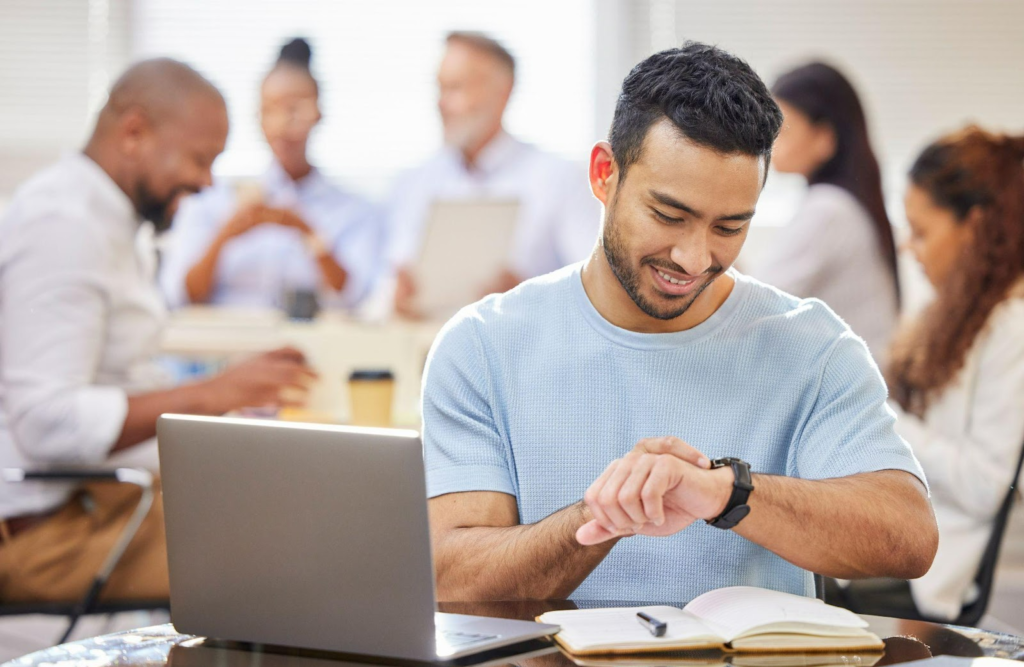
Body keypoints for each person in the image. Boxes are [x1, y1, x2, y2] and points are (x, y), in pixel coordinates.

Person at [423, 43, 937, 602]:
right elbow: (452, 576)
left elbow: (908, 538)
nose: (694, 259)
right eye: (670, 216)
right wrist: (600, 519)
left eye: (729, 227)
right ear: (603, 175)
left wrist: (723, 492)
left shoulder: (811, 344)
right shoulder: (483, 345)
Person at [0, 59, 316, 602]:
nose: (206, 181)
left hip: (102, 501)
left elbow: (116, 378)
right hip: (50, 534)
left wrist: (226, 396)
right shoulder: (63, 227)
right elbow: (45, 422)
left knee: (293, 500)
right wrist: (210, 395)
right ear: (134, 133)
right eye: (199, 159)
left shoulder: (114, 221)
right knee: (295, 555)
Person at [837, 127, 1024, 621]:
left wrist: (886, 419)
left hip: (935, 576)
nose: (907, 247)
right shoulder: (957, 318)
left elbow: (987, 486)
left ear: (976, 228)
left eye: (921, 231)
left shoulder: (1012, 330)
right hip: (908, 542)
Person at [385, 31, 600, 318]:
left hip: (524, 348)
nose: (441, 104)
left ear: (503, 92)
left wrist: (527, 295)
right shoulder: (413, 183)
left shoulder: (557, 177)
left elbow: (595, 285)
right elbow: (382, 285)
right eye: (440, 89)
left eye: (455, 88)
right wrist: (394, 298)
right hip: (425, 349)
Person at [160, 38, 382, 311]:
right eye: (270, 110)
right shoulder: (212, 199)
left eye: (294, 109)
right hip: (223, 349)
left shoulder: (353, 210)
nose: (282, 124)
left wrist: (306, 230)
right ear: (258, 118)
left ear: (318, 113)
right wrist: (226, 233)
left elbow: (356, 299)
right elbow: (181, 296)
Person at [751, 63, 900, 364]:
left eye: (782, 129)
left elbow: (756, 307)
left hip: (853, 393)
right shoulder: (845, 204)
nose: (770, 141)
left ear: (824, 137)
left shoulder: (829, 210)